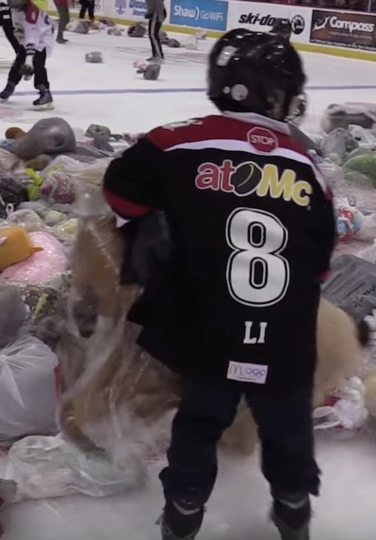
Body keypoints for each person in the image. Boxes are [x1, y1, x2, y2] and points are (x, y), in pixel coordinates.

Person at [101, 29, 334, 540]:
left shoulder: (175, 139)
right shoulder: (307, 163)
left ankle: (184, 507)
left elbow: (120, 193)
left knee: (200, 419)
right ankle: (293, 507)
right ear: (272, 93)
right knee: (287, 425)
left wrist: (173, 216)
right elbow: (319, 261)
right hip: (284, 334)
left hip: (209, 325)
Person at [0, 0, 54, 110]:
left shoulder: (30, 12)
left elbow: (32, 37)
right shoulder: (16, 9)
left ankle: (45, 92)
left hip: (42, 37)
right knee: (19, 61)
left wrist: (29, 61)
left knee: (38, 64)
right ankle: (10, 85)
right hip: (28, 36)